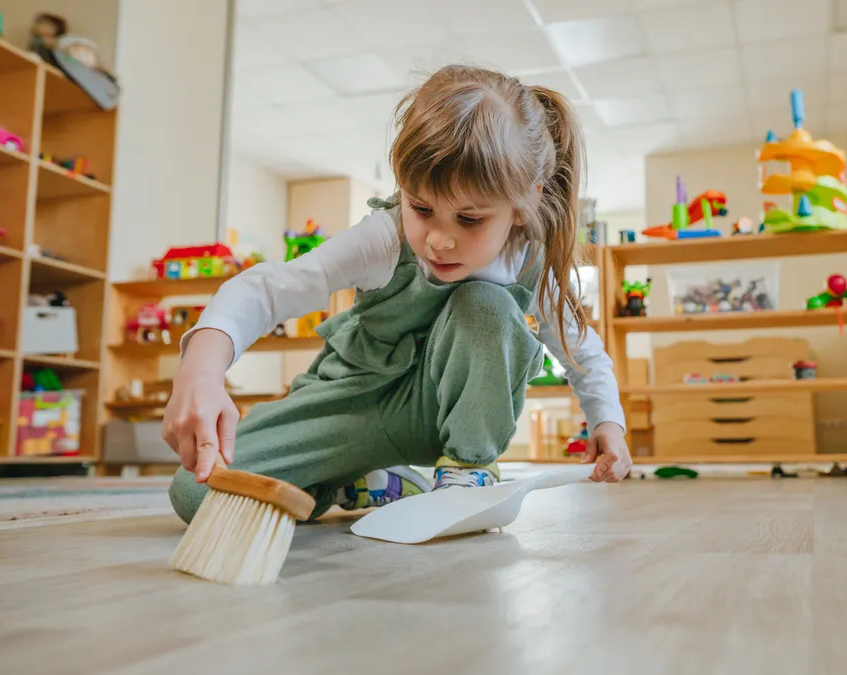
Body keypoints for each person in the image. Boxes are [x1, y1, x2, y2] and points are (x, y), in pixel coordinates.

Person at [165, 65, 632, 523]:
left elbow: (582, 351)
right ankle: (369, 479)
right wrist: (201, 368)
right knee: (197, 491)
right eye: (421, 208)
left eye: (469, 219)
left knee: (487, 307)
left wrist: (607, 422)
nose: (438, 240)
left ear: (523, 204)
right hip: (351, 400)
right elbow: (271, 289)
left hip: (441, 417)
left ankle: (468, 472)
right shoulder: (384, 239)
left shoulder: (530, 259)